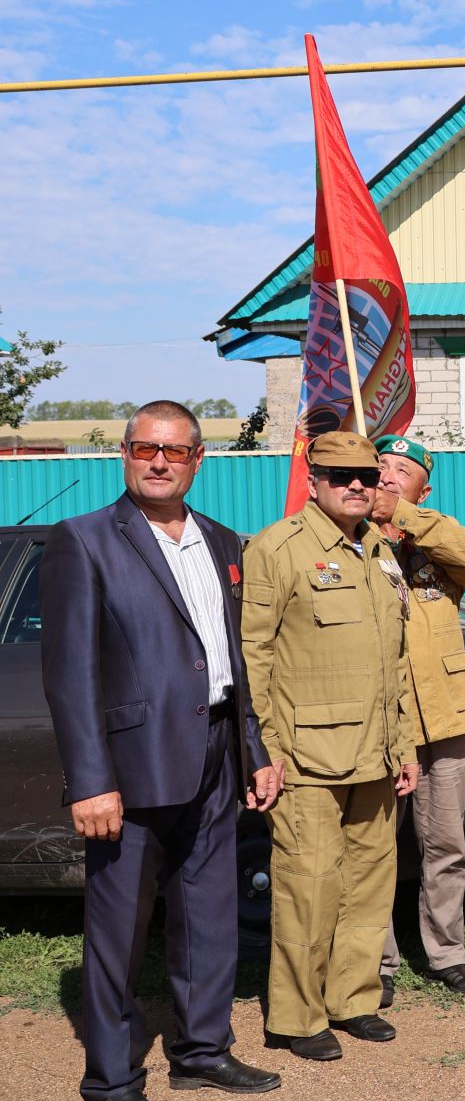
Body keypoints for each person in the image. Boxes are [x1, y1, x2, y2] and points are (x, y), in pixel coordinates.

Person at [41, 400, 283, 1100]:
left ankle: (201, 1051)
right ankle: (111, 1077)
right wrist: (90, 780)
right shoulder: (84, 540)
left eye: (174, 451)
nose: (158, 461)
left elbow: (232, 660)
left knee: (208, 915)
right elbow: (71, 673)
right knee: (119, 929)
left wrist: (254, 749)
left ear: (197, 461)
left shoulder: (221, 539)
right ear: (125, 453)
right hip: (130, 764)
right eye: (146, 447)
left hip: (214, 752)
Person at [242, 430, 419, 1061]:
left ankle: (353, 1000)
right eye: (340, 475)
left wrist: (404, 744)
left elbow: (395, 660)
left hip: (375, 754)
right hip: (306, 759)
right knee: (307, 888)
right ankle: (295, 1015)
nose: (355, 485)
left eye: (366, 477)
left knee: (370, 886)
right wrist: (261, 751)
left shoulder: (378, 550)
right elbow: (253, 656)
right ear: (313, 480)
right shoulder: (279, 549)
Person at [370, 434, 465, 1004]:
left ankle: (446, 953)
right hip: (379, 720)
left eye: (403, 470)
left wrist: (405, 516)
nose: (389, 476)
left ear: (424, 487)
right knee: (378, 848)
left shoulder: (435, 542)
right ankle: (379, 961)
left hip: (443, 716)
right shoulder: (354, 540)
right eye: (381, 467)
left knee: (446, 843)